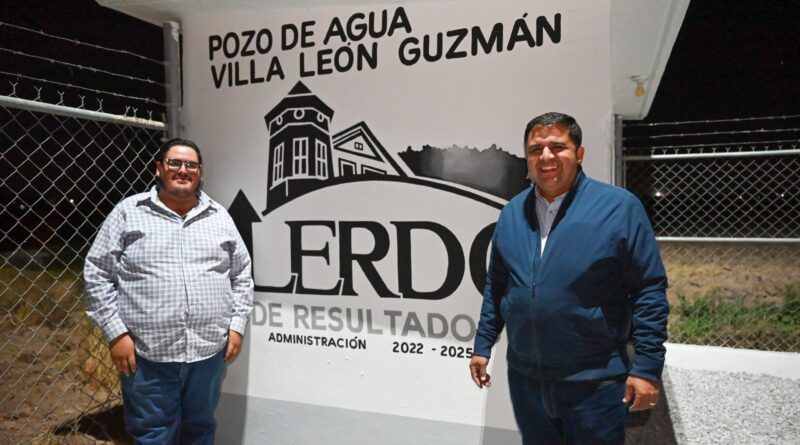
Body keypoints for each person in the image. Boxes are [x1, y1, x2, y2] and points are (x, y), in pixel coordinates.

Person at [469, 112, 669, 444]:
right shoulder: (512, 213)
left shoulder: (619, 208)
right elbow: (498, 287)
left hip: (595, 384)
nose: (546, 156)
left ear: (579, 153)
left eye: (557, 146)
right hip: (526, 381)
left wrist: (647, 367)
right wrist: (483, 344)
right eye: (536, 149)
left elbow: (648, 289)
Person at [84, 138, 254, 444]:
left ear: (200, 173)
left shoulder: (219, 216)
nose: (183, 170)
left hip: (207, 353)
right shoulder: (128, 212)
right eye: (174, 162)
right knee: (154, 434)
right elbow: (97, 272)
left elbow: (241, 273)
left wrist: (237, 326)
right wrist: (116, 334)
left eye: (191, 165)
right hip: (147, 355)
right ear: (159, 169)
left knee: (200, 430)